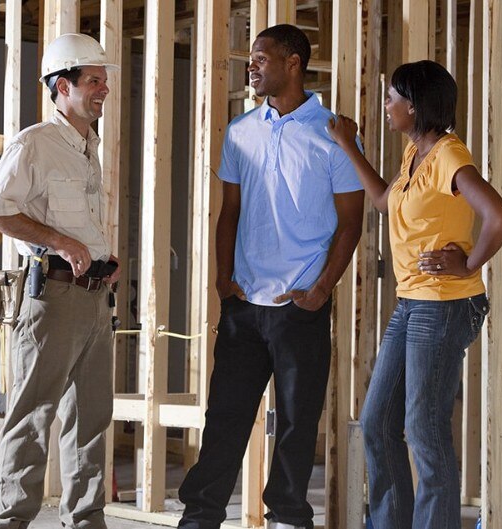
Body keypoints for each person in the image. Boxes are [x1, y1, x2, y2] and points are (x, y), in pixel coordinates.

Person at [177, 24, 365, 529]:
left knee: (297, 423)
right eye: (252, 59)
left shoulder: (333, 134)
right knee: (225, 419)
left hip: (300, 305)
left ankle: (286, 516)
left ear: (293, 63)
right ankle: (200, 516)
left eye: (262, 58)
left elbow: (352, 221)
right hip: (244, 303)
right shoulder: (240, 131)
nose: (252, 66)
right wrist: (223, 281)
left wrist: (322, 289)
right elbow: (229, 211)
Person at [327, 60, 502, 529]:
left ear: (414, 105)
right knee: (377, 422)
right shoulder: (416, 156)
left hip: (447, 305)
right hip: (412, 303)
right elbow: (383, 201)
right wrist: (349, 147)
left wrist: (469, 263)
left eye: (392, 98)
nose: (386, 106)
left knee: (425, 431)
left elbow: (501, 218)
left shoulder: (449, 154)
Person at [0, 33, 122, 529]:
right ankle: (12, 521)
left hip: (95, 298)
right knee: (32, 415)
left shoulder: (87, 145)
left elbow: (77, 222)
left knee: (91, 420)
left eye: (105, 80)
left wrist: (101, 255)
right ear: (64, 85)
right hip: (52, 297)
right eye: (95, 80)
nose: (105, 89)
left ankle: (86, 520)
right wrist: (61, 244)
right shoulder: (36, 143)